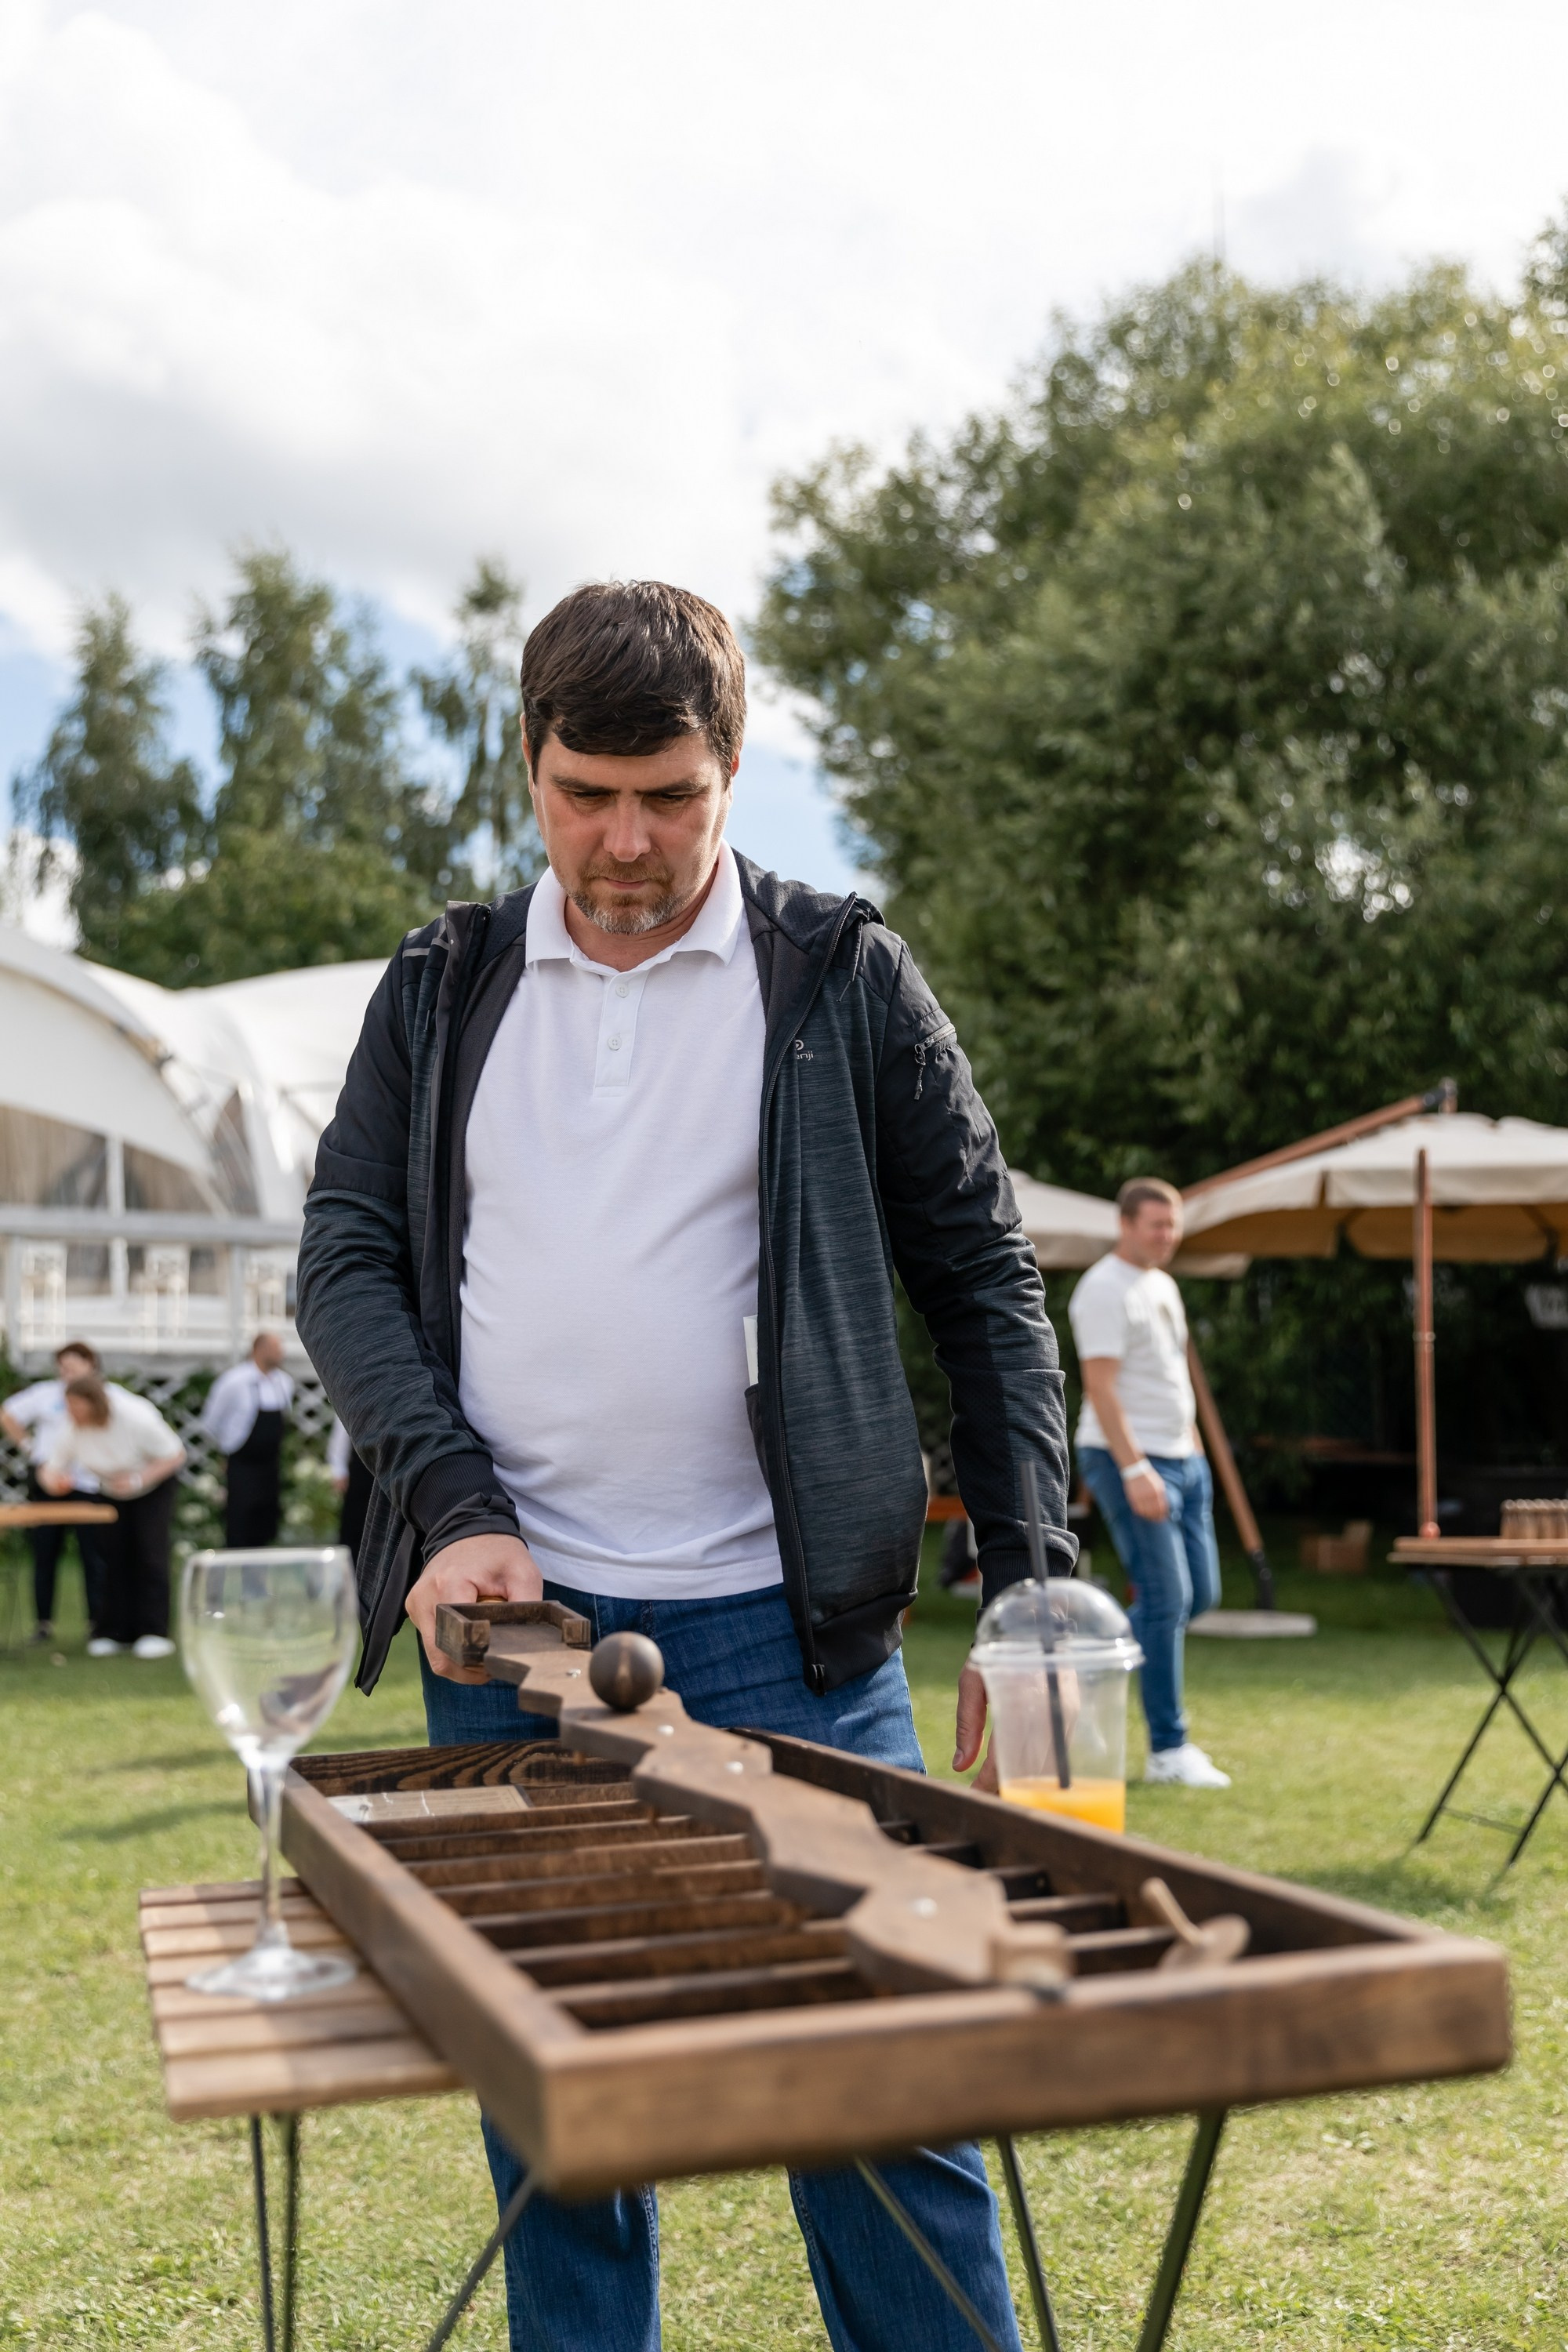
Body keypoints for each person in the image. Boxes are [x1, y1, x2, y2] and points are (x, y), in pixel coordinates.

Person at [297, 578, 1075, 2352]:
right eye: (585, 796)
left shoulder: (841, 971)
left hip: (793, 1632)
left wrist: (1031, 1575)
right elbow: (343, 1257)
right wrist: (450, 1507)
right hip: (514, 1636)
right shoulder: (440, 982)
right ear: (529, 766)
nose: (626, 843)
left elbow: (985, 1273)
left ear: (734, 766)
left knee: (884, 2099)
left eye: (670, 795)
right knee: (559, 2122)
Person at [1069, 1177, 1229, 1788]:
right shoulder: (1103, 1289)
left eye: (1174, 1225)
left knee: (1200, 1595)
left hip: (1184, 1459)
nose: (1168, 1236)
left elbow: (1170, 1379)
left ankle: (1091, 1662)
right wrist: (1136, 1468)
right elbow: (1101, 1387)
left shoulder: (1162, 1284)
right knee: (1165, 1601)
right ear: (1126, 1224)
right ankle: (1169, 1750)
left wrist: (1195, 1453)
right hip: (1129, 1460)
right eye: (1156, 1225)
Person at [41, 1375, 186, 1659]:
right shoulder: (73, 1427)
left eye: (77, 1406)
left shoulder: (134, 1417)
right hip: (109, 1492)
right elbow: (52, 1467)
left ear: (94, 1403)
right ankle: (113, 1631)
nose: (72, 1413)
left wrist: (138, 1480)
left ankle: (153, 1631)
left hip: (152, 1489)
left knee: (149, 1555)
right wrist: (53, 1482)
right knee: (112, 1557)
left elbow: (175, 1455)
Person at [1, 1340, 118, 1642]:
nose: (67, 1372)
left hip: (89, 1481)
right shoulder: (46, 1394)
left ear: (91, 1365)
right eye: (63, 1367)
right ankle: (43, 1622)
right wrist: (30, 1448)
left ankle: (97, 1621)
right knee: (45, 1552)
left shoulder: (106, 1396)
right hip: (49, 1480)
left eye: (73, 1366)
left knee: (94, 1554)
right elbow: (8, 1413)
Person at [201, 1333, 294, 1548]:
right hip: (243, 1464)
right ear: (258, 1349)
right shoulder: (234, 1381)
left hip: (270, 1465)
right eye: (276, 1348)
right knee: (240, 1522)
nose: (281, 1353)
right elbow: (211, 1422)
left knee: (266, 1523)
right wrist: (227, 1447)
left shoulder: (284, 1382)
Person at [327, 1414, 374, 1563]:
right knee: (355, 1525)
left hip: (394, 1468)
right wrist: (338, 1468)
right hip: (361, 1471)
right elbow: (342, 1426)